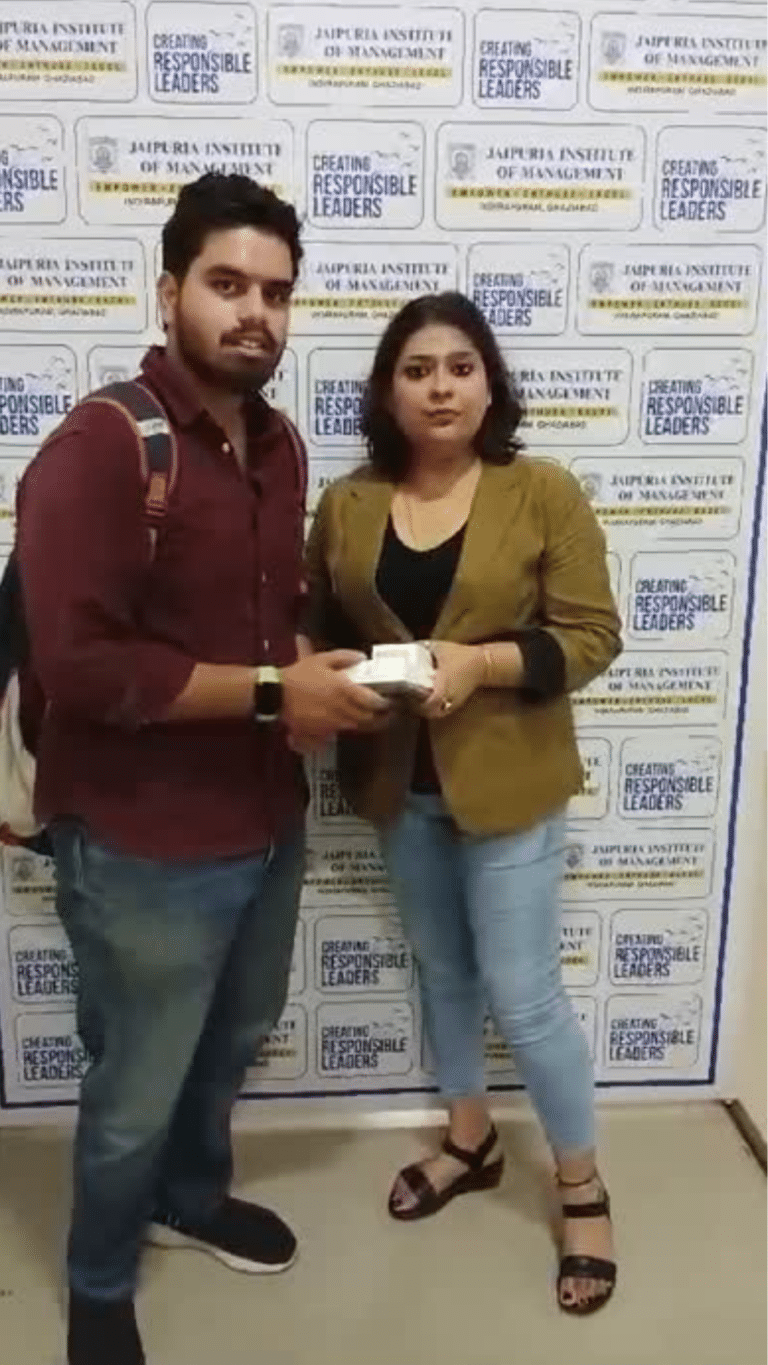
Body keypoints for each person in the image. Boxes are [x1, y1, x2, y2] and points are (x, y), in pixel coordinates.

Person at [16, 172, 388, 1365]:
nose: (255, 313)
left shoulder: (279, 446)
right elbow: (83, 667)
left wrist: (311, 671)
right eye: (228, 285)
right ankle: (98, 1281)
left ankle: (190, 1194)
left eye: (276, 292)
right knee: (138, 1081)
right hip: (140, 840)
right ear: (170, 290)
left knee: (231, 1041)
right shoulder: (101, 444)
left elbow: (259, 623)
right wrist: (280, 691)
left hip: (265, 818)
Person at [300, 292, 622, 1316]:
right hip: (398, 786)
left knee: (524, 998)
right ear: (388, 392)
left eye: (460, 366)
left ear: (490, 385)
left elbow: (592, 636)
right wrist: (318, 674)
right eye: (416, 369)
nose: (440, 386)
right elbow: (314, 622)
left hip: (510, 787)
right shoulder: (348, 503)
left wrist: (481, 662)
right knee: (442, 974)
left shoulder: (542, 492)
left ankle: (581, 1184)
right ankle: (471, 1141)